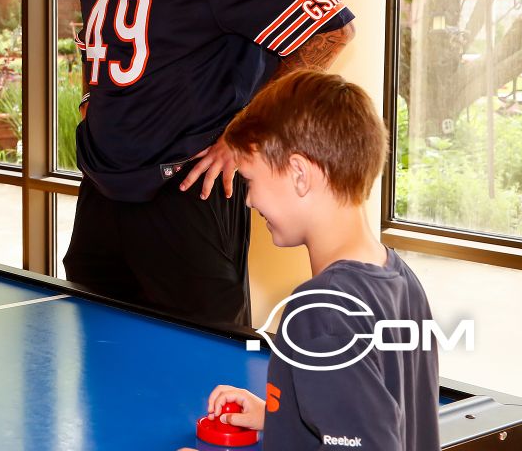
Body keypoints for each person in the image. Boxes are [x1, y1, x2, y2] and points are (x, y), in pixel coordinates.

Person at [59, 0, 356, 327]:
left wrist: (243, 133)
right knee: (97, 351)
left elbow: (330, 31)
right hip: (103, 194)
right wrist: (92, 104)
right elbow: (108, 53)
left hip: (188, 193)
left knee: (202, 368)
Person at [185, 70, 439, 450]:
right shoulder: (402, 280)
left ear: (300, 174)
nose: (249, 201)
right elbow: (379, 415)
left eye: (251, 181)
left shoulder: (319, 312)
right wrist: (281, 415)